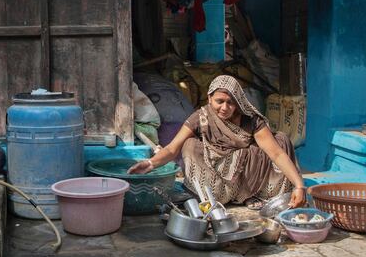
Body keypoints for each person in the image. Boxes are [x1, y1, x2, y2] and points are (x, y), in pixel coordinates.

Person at [128, 75, 307, 209]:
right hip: (219, 179)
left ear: (238, 102)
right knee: (190, 145)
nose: (224, 108)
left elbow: (275, 153)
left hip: (249, 175)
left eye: (231, 103)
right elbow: (173, 148)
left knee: (281, 140)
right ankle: (213, 196)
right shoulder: (200, 117)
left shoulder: (251, 120)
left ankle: (253, 195)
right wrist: (150, 164)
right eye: (219, 101)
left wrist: (299, 186)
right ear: (209, 98)